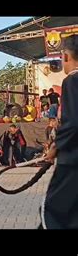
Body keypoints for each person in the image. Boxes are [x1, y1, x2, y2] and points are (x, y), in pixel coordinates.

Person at [43, 34, 78, 229]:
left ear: (65, 56)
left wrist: (56, 146)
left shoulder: (72, 81)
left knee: (54, 212)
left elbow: (73, 122)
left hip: (73, 161)